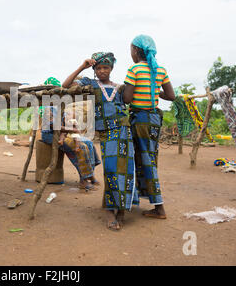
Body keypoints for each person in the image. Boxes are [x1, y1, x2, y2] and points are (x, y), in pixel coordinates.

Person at [62, 52, 139, 231]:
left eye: (106, 67)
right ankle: (110, 210)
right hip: (106, 133)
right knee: (111, 170)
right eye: (99, 68)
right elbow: (65, 85)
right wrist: (83, 66)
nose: (102, 71)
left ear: (111, 68)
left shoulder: (120, 87)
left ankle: (121, 208)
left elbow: (129, 100)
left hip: (123, 130)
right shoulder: (90, 84)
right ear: (95, 70)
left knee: (125, 170)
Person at [123, 35, 175, 220]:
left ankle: (159, 208)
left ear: (136, 51)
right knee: (148, 158)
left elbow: (127, 99)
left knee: (144, 161)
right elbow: (171, 95)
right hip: (154, 120)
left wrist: (130, 89)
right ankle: (138, 200)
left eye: (131, 50)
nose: (130, 54)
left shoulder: (135, 69)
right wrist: (154, 90)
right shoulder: (160, 70)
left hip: (141, 119)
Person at [41, 105, 101, 191]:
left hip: (64, 132)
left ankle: (90, 175)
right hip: (51, 135)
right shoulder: (49, 108)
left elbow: (67, 122)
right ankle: (83, 180)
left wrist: (72, 127)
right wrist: (71, 130)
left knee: (89, 143)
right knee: (81, 147)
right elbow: (53, 126)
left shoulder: (62, 106)